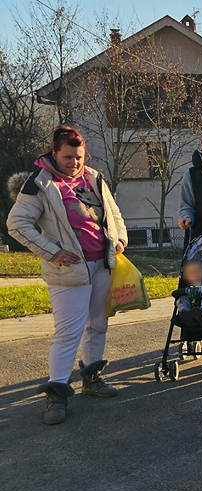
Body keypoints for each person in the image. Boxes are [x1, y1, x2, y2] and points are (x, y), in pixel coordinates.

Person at [7, 126, 129, 424]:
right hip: (68, 270)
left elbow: (113, 213)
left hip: (102, 264)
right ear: (54, 153)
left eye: (79, 157)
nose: (74, 163)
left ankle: (91, 378)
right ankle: (57, 394)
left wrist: (120, 237)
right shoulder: (40, 183)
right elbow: (17, 223)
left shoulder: (94, 177)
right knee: (67, 333)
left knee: (97, 325)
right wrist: (53, 252)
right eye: (67, 157)